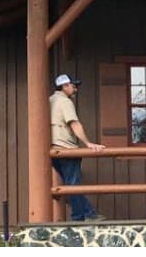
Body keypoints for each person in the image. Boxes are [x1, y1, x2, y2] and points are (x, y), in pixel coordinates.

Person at [51, 73, 106, 221]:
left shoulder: (50, 101)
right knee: (73, 185)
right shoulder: (65, 102)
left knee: (70, 185)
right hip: (67, 148)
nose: (75, 89)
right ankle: (84, 215)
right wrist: (88, 144)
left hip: (54, 150)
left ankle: (83, 214)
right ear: (64, 86)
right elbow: (74, 123)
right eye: (73, 86)